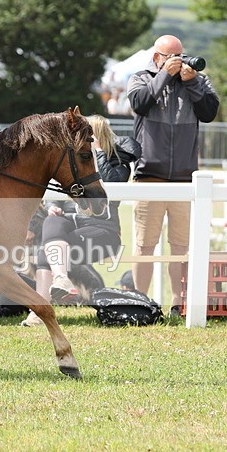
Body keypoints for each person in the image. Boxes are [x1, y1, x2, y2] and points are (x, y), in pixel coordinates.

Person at [126, 34, 220, 318]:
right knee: (145, 245)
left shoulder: (198, 81)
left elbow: (209, 112)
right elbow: (139, 103)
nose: (178, 60)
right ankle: (140, 302)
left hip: (184, 179)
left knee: (181, 247)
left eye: (181, 54)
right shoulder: (141, 78)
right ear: (157, 57)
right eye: (171, 56)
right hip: (149, 176)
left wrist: (190, 82)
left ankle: (179, 304)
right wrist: (163, 77)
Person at [21, 114, 138, 326]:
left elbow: (111, 182)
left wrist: (97, 153)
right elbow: (59, 189)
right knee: (51, 223)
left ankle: (40, 311)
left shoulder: (118, 162)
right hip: (67, 230)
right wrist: (52, 206)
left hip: (102, 232)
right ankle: (59, 282)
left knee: (46, 250)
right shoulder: (73, 164)